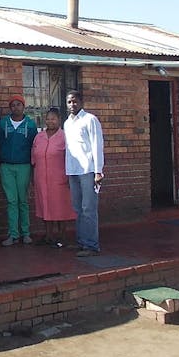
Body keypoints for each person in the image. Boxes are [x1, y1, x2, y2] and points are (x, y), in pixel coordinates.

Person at [63, 90, 104, 257]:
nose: (72, 105)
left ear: (81, 102)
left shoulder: (90, 120)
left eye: (74, 101)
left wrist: (98, 171)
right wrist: (67, 171)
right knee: (77, 208)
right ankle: (81, 242)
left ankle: (91, 246)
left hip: (88, 170)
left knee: (89, 208)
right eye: (69, 102)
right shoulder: (67, 123)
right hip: (73, 170)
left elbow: (97, 145)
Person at [31, 107, 77, 248]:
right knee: (44, 205)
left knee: (60, 207)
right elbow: (33, 155)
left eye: (54, 118)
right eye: (48, 118)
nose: (50, 121)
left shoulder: (64, 137)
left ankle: (62, 235)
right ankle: (48, 235)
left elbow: (71, 157)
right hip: (41, 177)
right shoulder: (39, 137)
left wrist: (69, 175)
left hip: (59, 178)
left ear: (59, 120)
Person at [0, 94, 38, 246]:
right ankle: (13, 234)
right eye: (13, 105)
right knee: (11, 201)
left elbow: (34, 146)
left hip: (24, 166)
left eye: (18, 104)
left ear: (23, 106)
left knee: (23, 201)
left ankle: (26, 233)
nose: (16, 107)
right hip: (7, 166)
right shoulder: (3, 123)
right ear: (10, 107)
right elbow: (0, 143)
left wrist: (33, 166)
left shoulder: (30, 125)